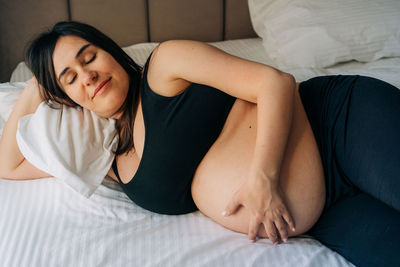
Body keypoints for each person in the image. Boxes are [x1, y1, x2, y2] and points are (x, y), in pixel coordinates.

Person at [0, 21, 399, 267]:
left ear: (111, 52)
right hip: (327, 211)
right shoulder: (104, 157)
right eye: (70, 78)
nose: (87, 76)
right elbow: (9, 166)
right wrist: (39, 82)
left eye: (89, 57)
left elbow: (274, 83)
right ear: (66, 98)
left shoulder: (166, 67)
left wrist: (264, 179)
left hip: (338, 123)